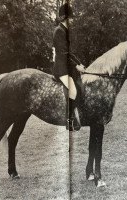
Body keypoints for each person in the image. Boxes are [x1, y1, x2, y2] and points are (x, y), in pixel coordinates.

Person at [52, 3, 85, 131]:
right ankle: (68, 122)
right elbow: (63, 54)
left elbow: (70, 53)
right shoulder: (59, 31)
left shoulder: (65, 31)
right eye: (71, 18)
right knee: (73, 91)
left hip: (67, 67)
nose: (73, 20)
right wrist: (76, 66)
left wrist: (80, 63)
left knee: (79, 86)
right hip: (61, 69)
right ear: (65, 18)